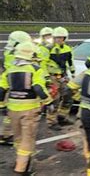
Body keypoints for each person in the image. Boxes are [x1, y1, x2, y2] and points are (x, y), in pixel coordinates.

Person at [0, 41, 52, 174]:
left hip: (12, 109)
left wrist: (2, 106)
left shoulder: (10, 69)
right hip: (29, 110)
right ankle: (22, 169)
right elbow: (38, 87)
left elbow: (1, 90)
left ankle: (19, 161)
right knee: (27, 140)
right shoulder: (35, 69)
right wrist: (48, 101)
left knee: (18, 139)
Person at [0, 31, 31, 146]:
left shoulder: (9, 50)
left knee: (11, 111)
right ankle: (6, 135)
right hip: (12, 82)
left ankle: (6, 133)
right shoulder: (14, 54)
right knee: (11, 111)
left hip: (9, 81)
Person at [48, 27, 75, 128]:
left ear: (65, 38)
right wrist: (46, 78)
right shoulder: (48, 49)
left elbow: (70, 62)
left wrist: (72, 73)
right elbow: (42, 64)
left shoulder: (68, 49)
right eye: (56, 38)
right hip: (52, 77)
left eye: (60, 38)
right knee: (55, 99)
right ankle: (51, 121)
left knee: (68, 95)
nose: (58, 40)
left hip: (63, 76)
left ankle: (62, 117)